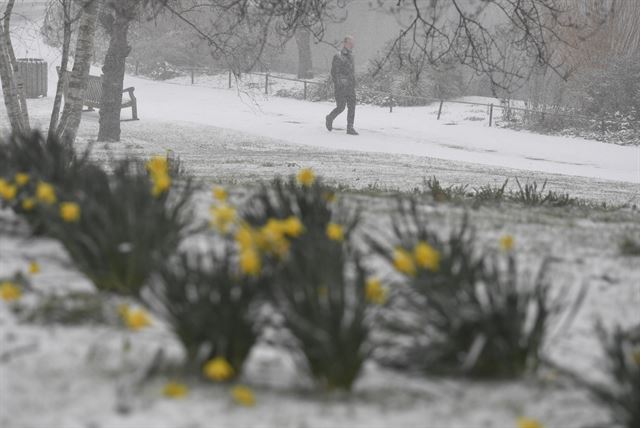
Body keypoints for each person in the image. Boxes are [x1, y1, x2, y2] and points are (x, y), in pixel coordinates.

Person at [325, 35, 358, 135]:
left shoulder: (351, 56)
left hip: (350, 86)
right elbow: (335, 72)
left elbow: (351, 72)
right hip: (341, 87)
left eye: (352, 43)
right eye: (350, 43)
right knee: (341, 107)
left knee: (352, 106)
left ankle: (350, 127)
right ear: (345, 43)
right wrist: (340, 83)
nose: (352, 45)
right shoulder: (338, 56)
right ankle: (330, 117)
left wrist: (353, 81)